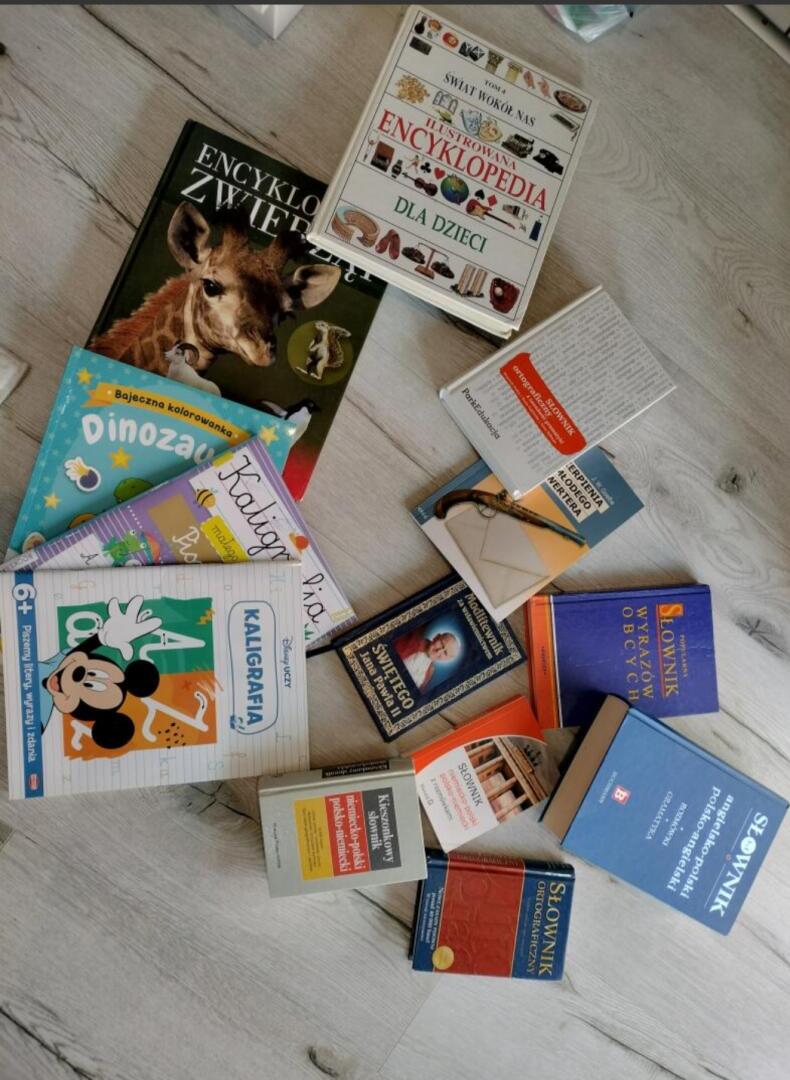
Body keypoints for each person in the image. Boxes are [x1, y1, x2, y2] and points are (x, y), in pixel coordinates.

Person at [393, 627, 460, 691]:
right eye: (441, 644)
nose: (438, 651)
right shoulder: (411, 638)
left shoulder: (430, 671)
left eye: (445, 653)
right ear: (436, 637)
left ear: (446, 659)